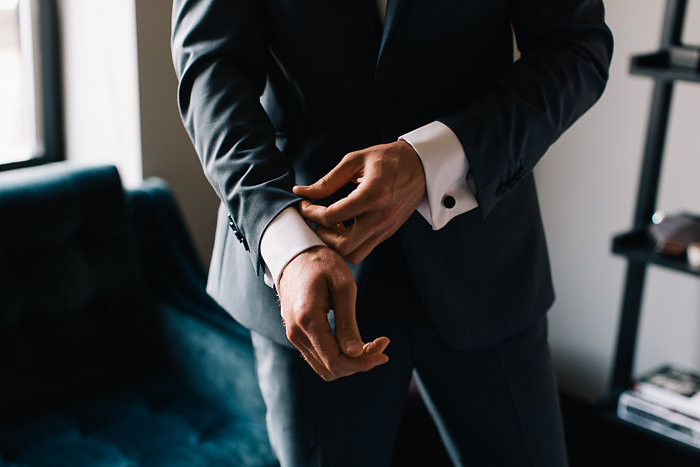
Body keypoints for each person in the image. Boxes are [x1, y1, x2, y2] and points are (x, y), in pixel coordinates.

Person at [171, 0, 613, 465]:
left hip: (483, 262)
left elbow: (576, 48)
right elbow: (210, 71)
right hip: (306, 273)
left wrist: (431, 161)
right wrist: (284, 242)